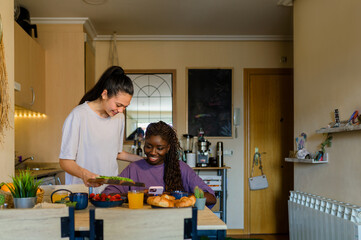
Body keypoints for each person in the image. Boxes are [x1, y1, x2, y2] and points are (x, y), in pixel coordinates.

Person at [59, 66, 143, 192]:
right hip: (82, 192)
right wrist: (84, 174)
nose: (121, 110)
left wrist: (145, 160)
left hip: (110, 191)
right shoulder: (79, 115)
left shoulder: (119, 118)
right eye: (118, 105)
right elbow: (65, 161)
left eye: (125, 107)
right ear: (104, 94)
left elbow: (116, 152)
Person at [103, 121, 217, 206]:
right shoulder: (133, 169)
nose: (152, 152)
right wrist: (138, 196)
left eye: (160, 148)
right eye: (148, 146)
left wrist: (179, 197)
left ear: (168, 148)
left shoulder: (181, 168)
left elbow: (211, 197)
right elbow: (107, 195)